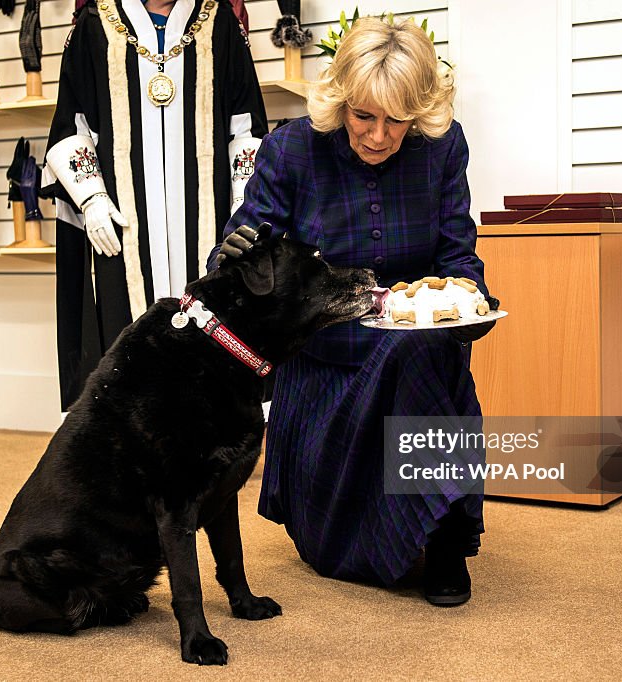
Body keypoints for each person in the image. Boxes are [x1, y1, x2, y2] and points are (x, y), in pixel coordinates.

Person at [209, 17, 499, 606]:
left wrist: (467, 301)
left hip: (411, 354)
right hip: (324, 358)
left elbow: (456, 254)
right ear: (340, 99)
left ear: (421, 112)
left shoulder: (442, 148)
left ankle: (445, 537)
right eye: (365, 116)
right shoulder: (290, 149)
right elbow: (240, 256)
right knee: (333, 554)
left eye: (398, 121)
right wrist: (233, 252)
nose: (378, 135)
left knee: (421, 349)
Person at [42, 0, 267, 410]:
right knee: (128, 343)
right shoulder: (95, 26)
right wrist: (91, 197)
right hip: (125, 221)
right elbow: (70, 123)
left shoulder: (219, 26)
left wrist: (243, 205)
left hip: (208, 221)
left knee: (212, 326)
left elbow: (246, 125)